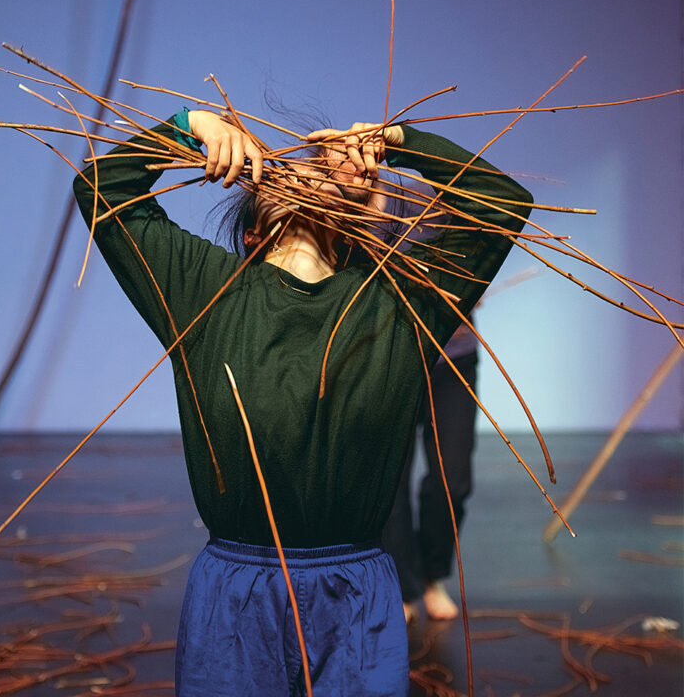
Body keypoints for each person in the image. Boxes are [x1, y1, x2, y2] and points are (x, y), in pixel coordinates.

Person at [73, 106, 532, 696]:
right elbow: (100, 187)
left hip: (355, 594)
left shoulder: (395, 307)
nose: (309, 176)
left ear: (350, 227)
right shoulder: (206, 292)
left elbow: (500, 201)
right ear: (252, 234)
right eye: (292, 173)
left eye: (322, 177)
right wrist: (191, 125)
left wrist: (399, 142)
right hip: (236, 593)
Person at [383, 320, 479, 623]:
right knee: (391, 481)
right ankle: (402, 588)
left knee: (452, 480)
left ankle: (432, 575)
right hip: (389, 355)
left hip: (454, 357)